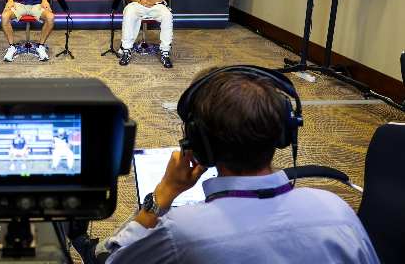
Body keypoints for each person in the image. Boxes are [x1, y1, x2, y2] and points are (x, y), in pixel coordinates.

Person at [72, 66, 378, 264]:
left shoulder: (180, 233)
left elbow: (110, 261)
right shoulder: (337, 212)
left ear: (197, 142)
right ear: (285, 131)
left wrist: (163, 194)